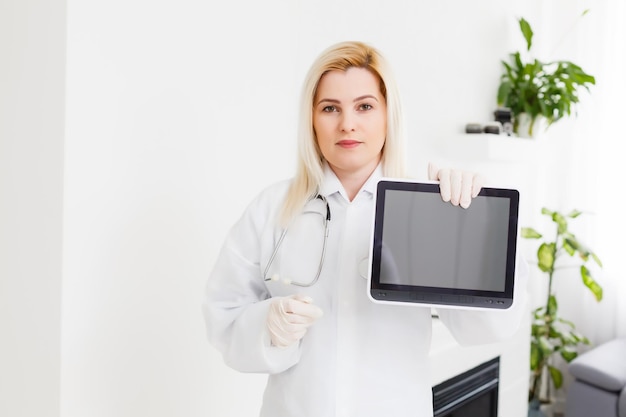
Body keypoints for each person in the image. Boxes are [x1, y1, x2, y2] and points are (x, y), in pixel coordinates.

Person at [202, 40, 528, 417]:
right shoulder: (272, 207)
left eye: (365, 106)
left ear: (389, 115)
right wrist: (269, 325)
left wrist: (473, 224)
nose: (347, 124)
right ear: (311, 118)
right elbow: (222, 315)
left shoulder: (428, 207)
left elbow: (490, 328)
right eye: (330, 108)